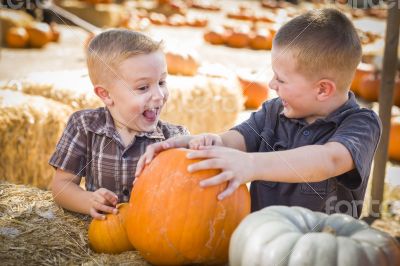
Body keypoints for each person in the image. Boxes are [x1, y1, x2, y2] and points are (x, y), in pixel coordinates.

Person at [135, 8, 381, 218]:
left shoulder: (360, 123)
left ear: (323, 89)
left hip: (322, 248)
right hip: (259, 244)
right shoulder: (274, 112)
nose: (272, 84)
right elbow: (239, 138)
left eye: (281, 79)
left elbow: (330, 160)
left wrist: (252, 165)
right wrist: (208, 142)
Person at [49, 29, 189, 220]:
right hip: (104, 231)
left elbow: (191, 193)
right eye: (143, 87)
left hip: (153, 232)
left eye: (162, 82)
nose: (159, 95)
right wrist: (88, 200)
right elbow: (61, 186)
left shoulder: (174, 139)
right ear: (106, 94)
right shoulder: (84, 127)